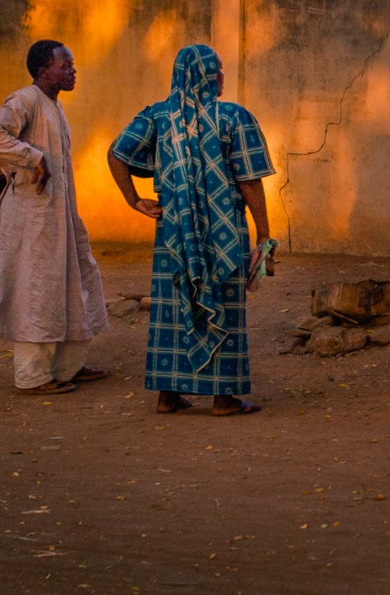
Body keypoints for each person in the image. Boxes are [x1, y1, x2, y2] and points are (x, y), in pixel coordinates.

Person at [107, 44, 275, 417]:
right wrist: (263, 234)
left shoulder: (157, 116)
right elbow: (249, 181)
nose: (222, 76)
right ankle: (223, 399)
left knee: (174, 306)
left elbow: (117, 153)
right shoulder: (233, 117)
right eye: (218, 69)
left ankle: (167, 397)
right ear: (207, 75)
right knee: (223, 305)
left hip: (174, 231)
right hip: (225, 230)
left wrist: (134, 200)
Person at [0, 40, 110, 395]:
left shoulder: (52, 105)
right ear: (43, 70)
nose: (72, 71)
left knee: (75, 280)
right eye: (65, 65)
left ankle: (67, 365)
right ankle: (33, 376)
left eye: (72, 65)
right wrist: (31, 157)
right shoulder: (24, 99)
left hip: (59, 213)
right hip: (32, 218)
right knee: (35, 291)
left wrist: (16, 163)